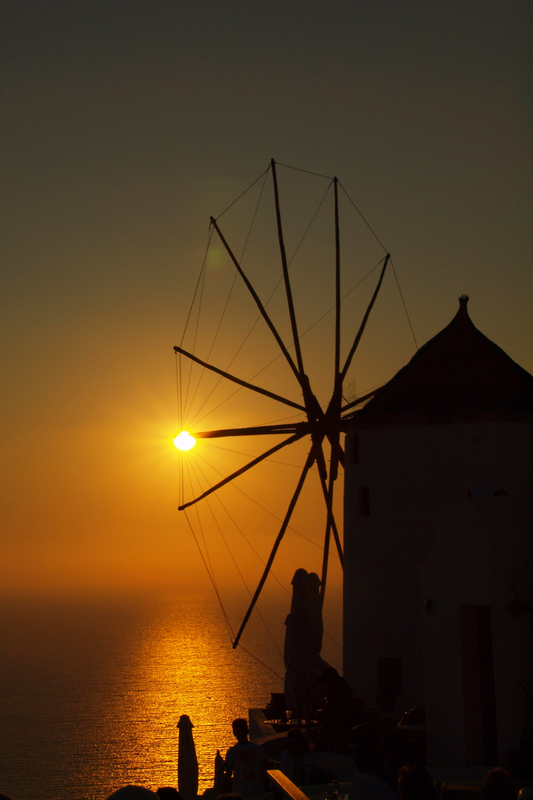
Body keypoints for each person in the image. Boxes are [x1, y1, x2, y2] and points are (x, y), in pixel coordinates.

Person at [224, 718, 269, 798]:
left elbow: (228, 776)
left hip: (240, 794)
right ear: (247, 731)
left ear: (234, 732)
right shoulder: (260, 749)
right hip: (259, 793)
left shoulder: (232, 752)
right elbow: (266, 772)